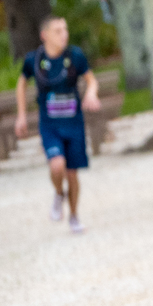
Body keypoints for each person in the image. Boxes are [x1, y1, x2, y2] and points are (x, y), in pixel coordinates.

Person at [15, 14, 100, 234]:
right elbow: (21, 84)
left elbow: (91, 80)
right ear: (45, 35)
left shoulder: (75, 56)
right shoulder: (34, 60)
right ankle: (58, 193)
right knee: (57, 165)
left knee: (72, 174)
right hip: (50, 125)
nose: (64, 35)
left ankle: (74, 215)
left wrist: (91, 93)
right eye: (58, 31)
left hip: (74, 124)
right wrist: (21, 115)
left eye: (65, 30)